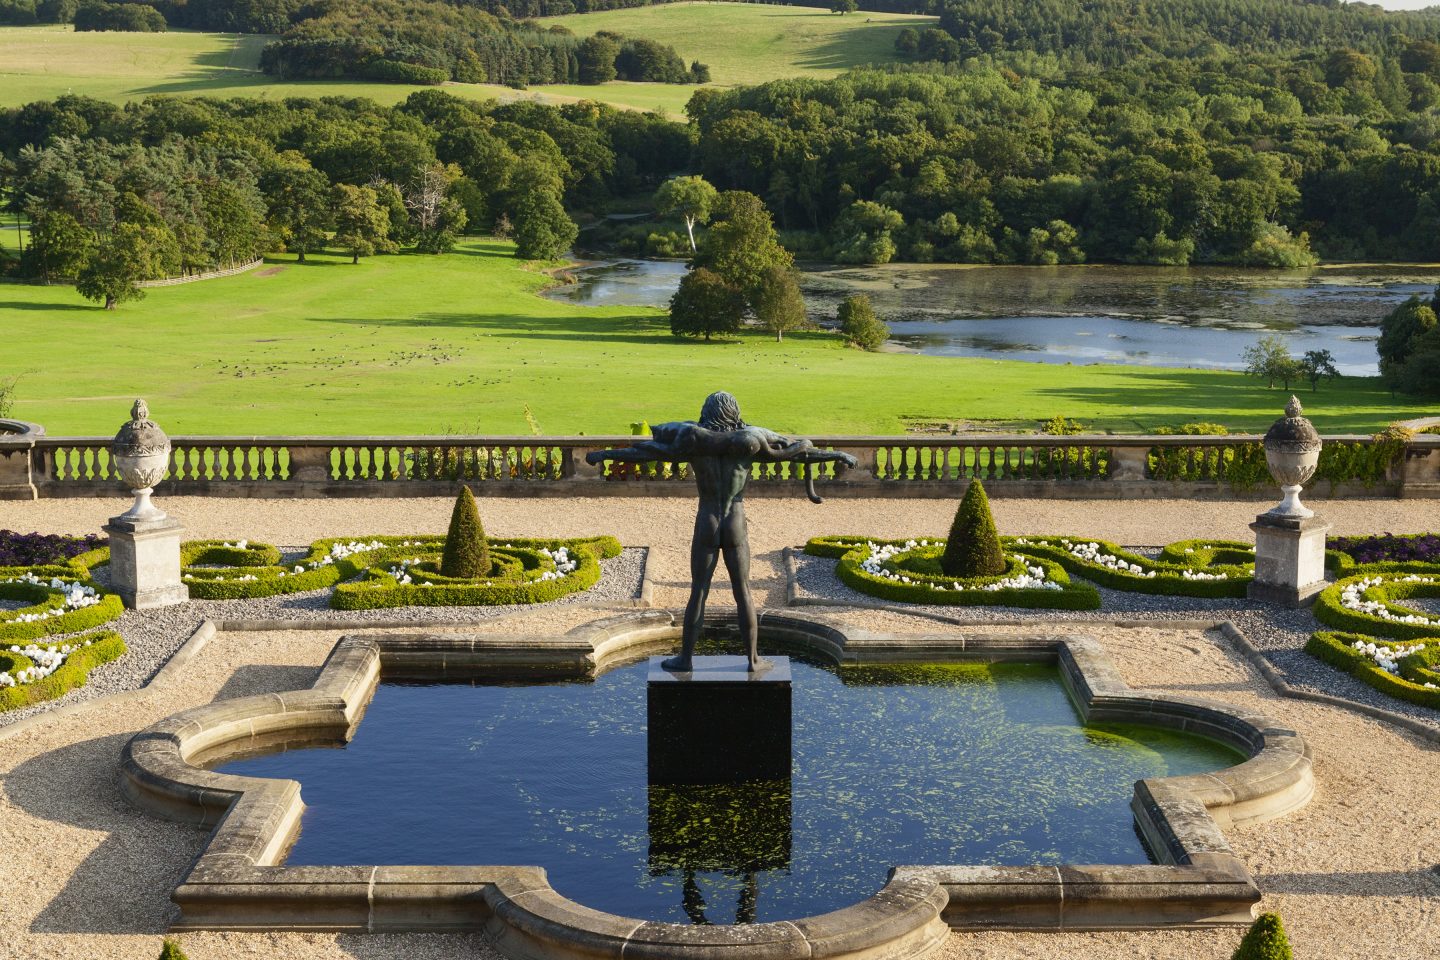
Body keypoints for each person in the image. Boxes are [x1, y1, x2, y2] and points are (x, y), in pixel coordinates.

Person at [586, 391, 857, 672]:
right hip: (735, 520)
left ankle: (685, 660)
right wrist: (838, 454)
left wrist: (604, 455)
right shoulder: (751, 440)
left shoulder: (692, 438)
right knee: (744, 591)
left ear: (707, 412)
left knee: (699, 592)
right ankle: (752, 660)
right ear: (734, 412)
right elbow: (800, 453)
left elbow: (645, 452)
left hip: (707, 519)